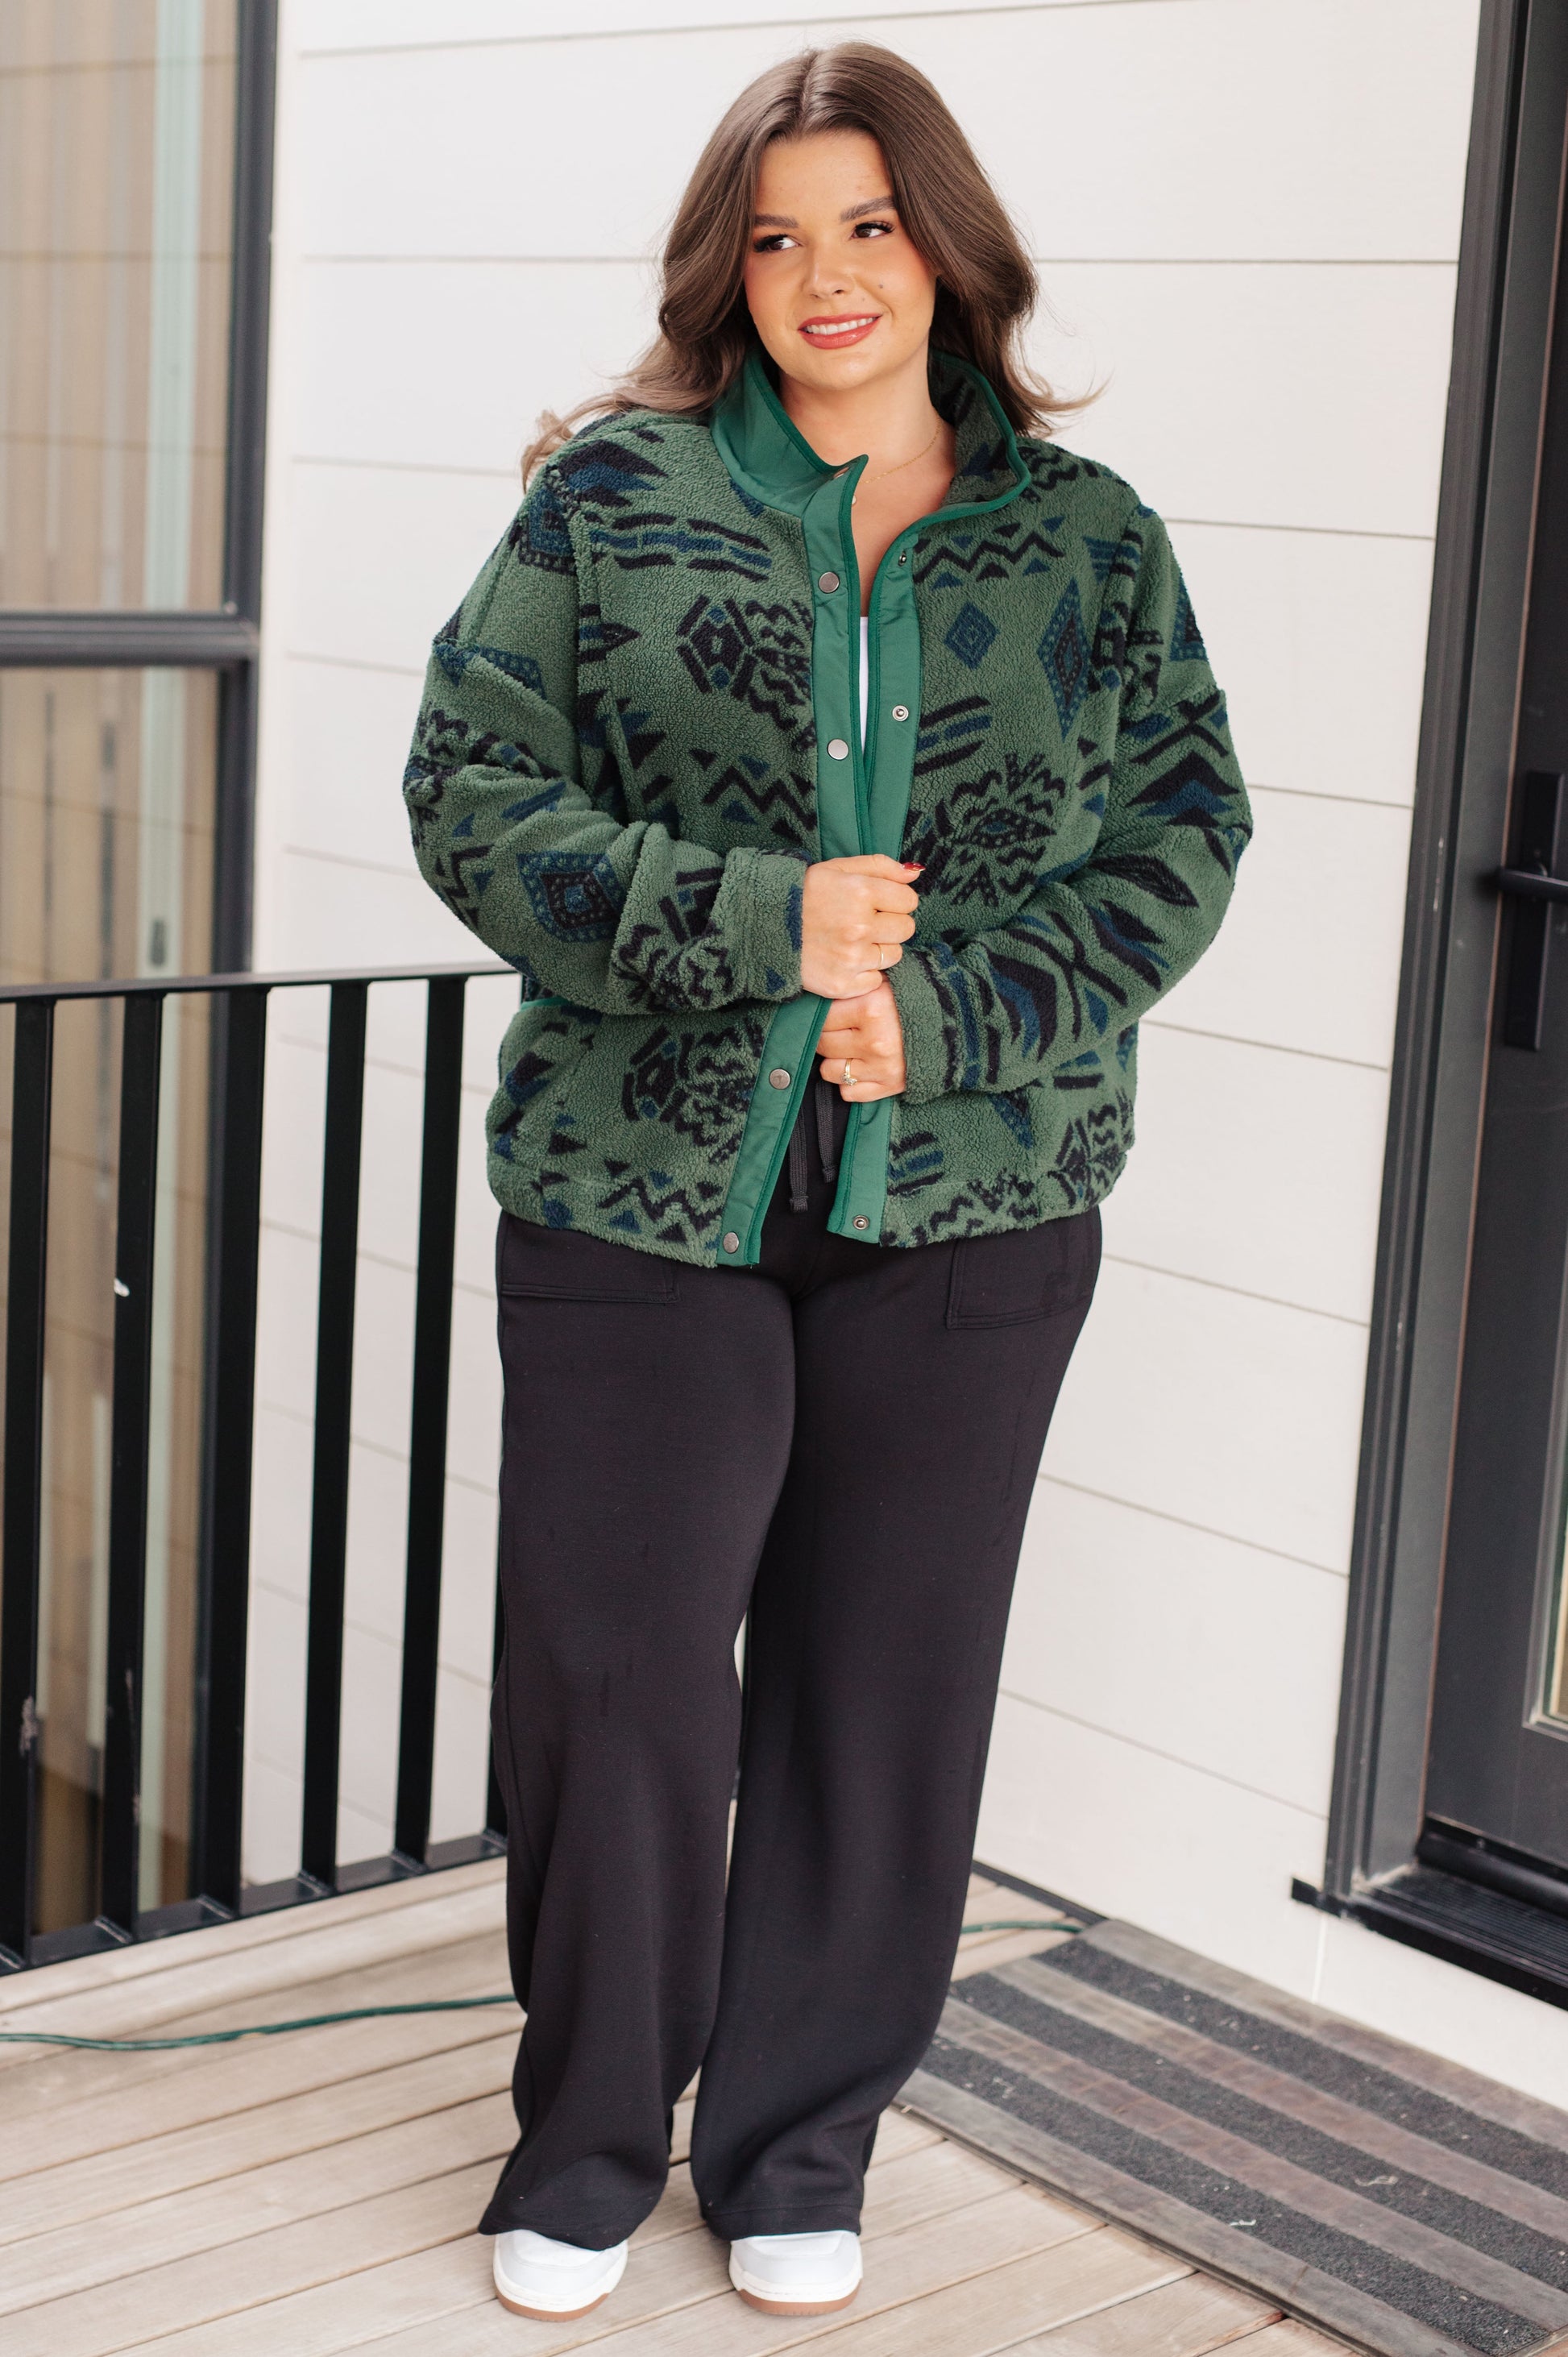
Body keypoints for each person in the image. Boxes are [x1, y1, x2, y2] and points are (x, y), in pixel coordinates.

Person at [403, 39, 1251, 2326]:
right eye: (776, 238)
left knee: (884, 1686)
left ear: (947, 248)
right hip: (636, 1192)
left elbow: (1185, 838)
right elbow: (472, 789)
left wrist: (948, 1016)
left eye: (869, 226)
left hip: (973, 1207)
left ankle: (797, 2143)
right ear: (730, 270)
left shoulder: (1088, 541)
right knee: (616, 1683)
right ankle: (588, 2138)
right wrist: (752, 922)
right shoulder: (613, 504)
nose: (825, 276)